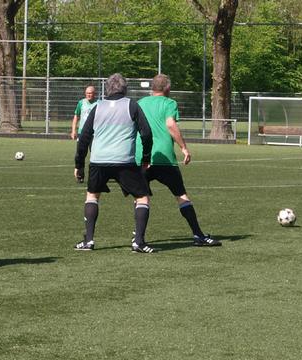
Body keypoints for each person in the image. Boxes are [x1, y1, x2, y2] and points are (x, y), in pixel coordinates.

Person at [136, 74, 221, 247]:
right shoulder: (170, 103)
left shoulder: (139, 103)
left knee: (141, 198)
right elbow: (170, 124)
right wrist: (183, 147)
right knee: (181, 196)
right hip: (165, 158)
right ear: (167, 88)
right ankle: (198, 235)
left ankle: (138, 239)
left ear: (152, 88)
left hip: (141, 157)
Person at [74, 73, 155, 253]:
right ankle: (139, 242)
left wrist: (79, 165)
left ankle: (89, 241)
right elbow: (147, 133)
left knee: (92, 196)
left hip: (98, 160)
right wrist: (146, 158)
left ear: (107, 89)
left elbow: (84, 138)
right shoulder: (131, 105)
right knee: (142, 198)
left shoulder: (98, 107)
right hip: (124, 160)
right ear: (124, 89)